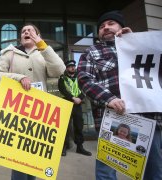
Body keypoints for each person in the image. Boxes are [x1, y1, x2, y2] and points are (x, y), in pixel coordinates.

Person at [77, 10, 162, 180]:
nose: (106, 28)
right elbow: (85, 79)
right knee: (106, 173)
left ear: (122, 27)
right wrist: (109, 99)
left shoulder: (144, 47)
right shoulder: (92, 52)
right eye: (101, 26)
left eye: (111, 24)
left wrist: (136, 43)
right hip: (113, 118)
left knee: (154, 171)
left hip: (149, 118)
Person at [0, 23, 65, 180]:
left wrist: (42, 45)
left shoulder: (43, 53)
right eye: (23, 31)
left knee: (34, 158)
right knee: (18, 159)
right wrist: (19, 78)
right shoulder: (9, 53)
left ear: (37, 35)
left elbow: (59, 70)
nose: (26, 32)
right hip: (17, 109)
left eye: (30, 30)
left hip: (39, 111)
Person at [58, 60, 92, 156]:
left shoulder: (80, 77)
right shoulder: (62, 78)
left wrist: (80, 98)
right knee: (64, 127)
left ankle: (80, 147)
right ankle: (63, 147)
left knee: (79, 126)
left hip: (78, 104)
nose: (72, 68)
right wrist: (73, 98)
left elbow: (84, 88)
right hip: (66, 103)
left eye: (73, 66)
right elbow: (62, 90)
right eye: (70, 66)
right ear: (67, 68)